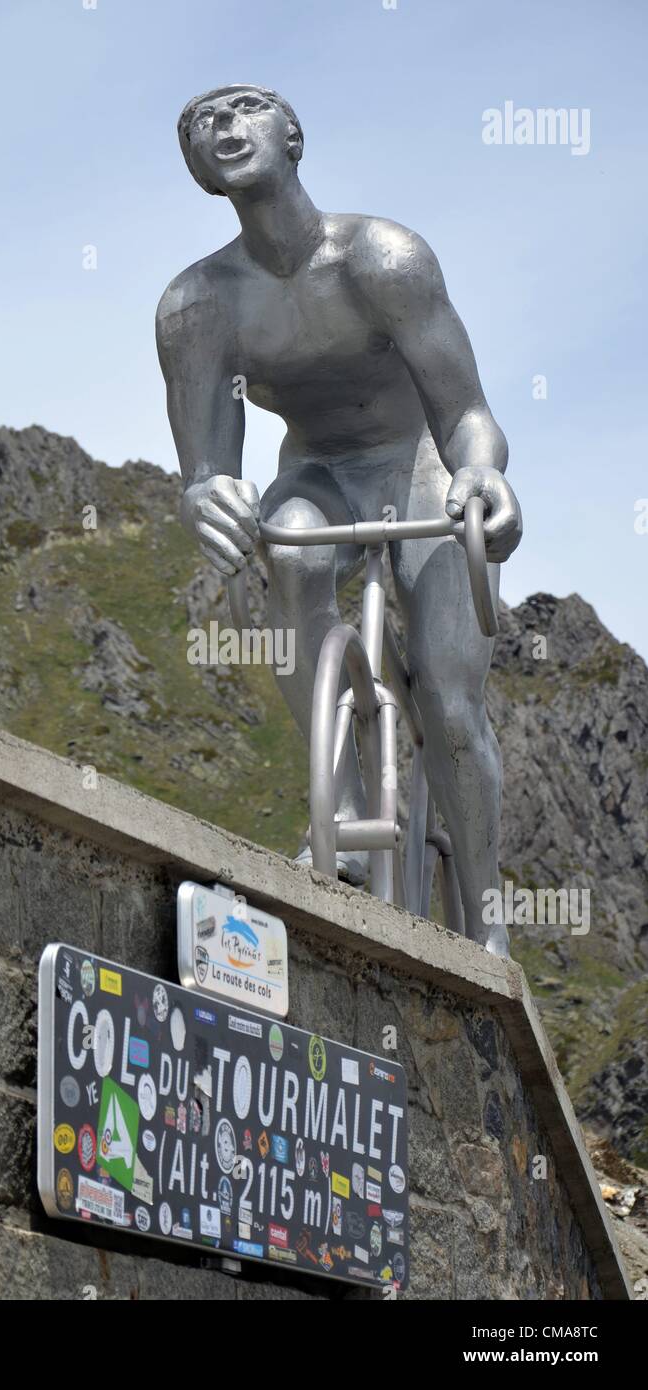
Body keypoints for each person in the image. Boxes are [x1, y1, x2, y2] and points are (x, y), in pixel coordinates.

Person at [157, 85, 522, 955]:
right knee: (288, 552)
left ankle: (488, 923)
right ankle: (349, 807)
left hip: (418, 463)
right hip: (319, 470)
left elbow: (466, 410)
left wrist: (481, 475)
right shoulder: (197, 307)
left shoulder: (381, 258)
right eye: (200, 123)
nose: (222, 126)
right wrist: (204, 496)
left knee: (449, 690)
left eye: (244, 108)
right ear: (194, 165)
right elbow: (209, 468)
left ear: (293, 135)